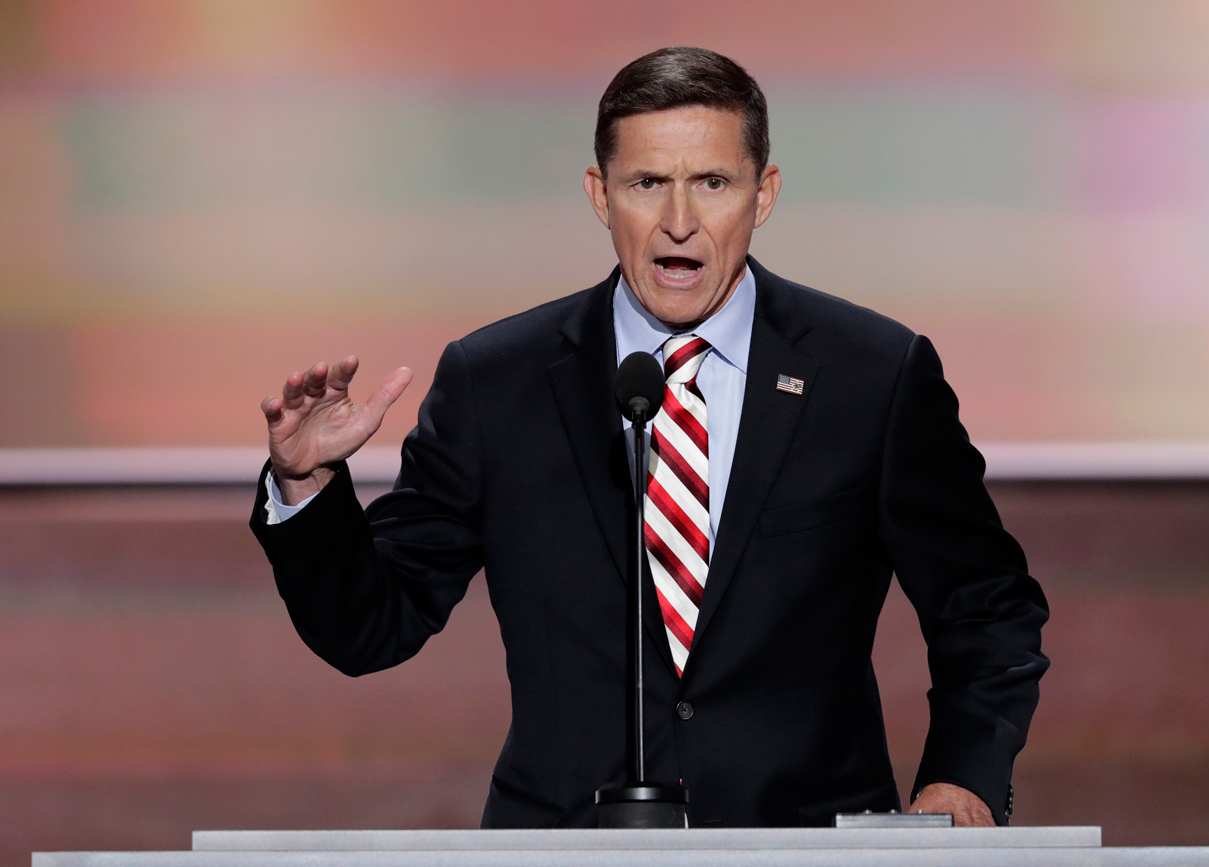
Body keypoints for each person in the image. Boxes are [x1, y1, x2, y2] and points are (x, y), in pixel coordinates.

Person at [251, 46, 1048, 829]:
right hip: (566, 849)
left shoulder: (871, 374)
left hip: (804, 847)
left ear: (762, 193)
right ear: (601, 194)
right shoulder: (498, 382)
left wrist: (961, 778)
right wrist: (308, 486)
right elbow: (371, 628)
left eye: (712, 183)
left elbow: (985, 605)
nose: (678, 223)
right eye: (647, 183)